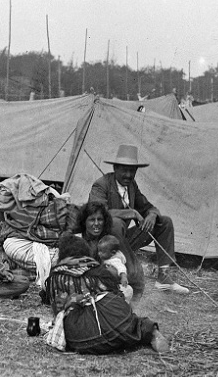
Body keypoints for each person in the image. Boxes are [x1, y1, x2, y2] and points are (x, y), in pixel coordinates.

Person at [88, 144, 190, 294]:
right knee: (115, 223)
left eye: (132, 171)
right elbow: (97, 214)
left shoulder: (131, 186)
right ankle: (134, 275)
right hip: (100, 247)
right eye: (124, 170)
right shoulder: (101, 185)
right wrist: (131, 213)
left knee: (164, 222)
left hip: (122, 241)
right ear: (115, 168)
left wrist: (152, 215)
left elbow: (148, 207)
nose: (128, 175)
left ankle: (163, 278)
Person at [43, 236, 169, 354]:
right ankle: (151, 332)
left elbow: (56, 308)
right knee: (131, 316)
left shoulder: (55, 278)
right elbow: (117, 295)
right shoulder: (98, 271)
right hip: (117, 325)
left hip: (82, 340)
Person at [77, 201, 145, 300]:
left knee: (126, 291)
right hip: (81, 283)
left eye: (100, 219)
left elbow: (117, 266)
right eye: (92, 220)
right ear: (84, 222)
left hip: (100, 284)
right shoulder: (77, 240)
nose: (96, 224)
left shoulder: (107, 243)